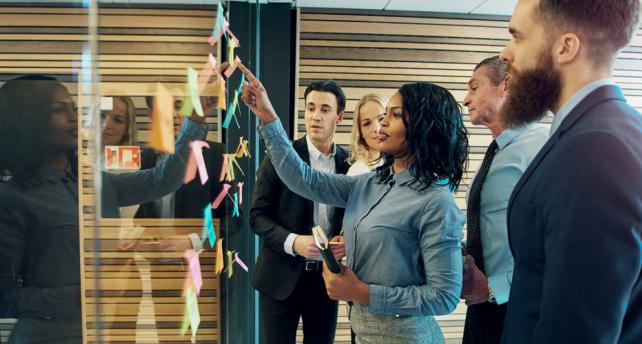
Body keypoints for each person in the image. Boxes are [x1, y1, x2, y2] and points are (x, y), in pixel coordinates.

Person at [241, 63, 468, 343]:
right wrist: (266, 114)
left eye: (394, 116)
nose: (382, 122)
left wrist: (361, 292)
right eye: (385, 114)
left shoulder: (435, 200)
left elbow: (444, 297)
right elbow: (303, 180)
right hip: (363, 334)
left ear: (422, 128)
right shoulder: (370, 183)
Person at [0, 75, 213, 343]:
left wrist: (196, 118)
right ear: (29, 120)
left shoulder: (95, 183)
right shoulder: (13, 198)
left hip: (105, 326)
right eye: (59, 109)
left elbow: (164, 179)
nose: (72, 116)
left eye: (73, 108)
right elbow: (4, 298)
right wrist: (82, 295)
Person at [498, 1, 642, 343]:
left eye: (518, 37)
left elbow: (578, 330)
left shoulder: (595, 148)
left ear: (565, 47)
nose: (506, 53)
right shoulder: (611, 130)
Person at [249, 79, 350, 344]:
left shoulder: (350, 164)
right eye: (311, 108)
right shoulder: (282, 156)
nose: (315, 116)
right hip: (279, 278)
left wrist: (346, 239)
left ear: (339, 117)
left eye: (325, 109)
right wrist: (294, 242)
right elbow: (257, 217)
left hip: (326, 279)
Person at [460, 56, 547, 343]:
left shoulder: (541, 148)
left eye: (474, 88)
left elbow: (557, 242)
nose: (465, 99)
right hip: (480, 308)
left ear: (505, 86)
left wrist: (496, 288)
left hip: (519, 308)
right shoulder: (494, 154)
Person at [135, 93, 235, 252]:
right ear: (152, 116)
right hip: (159, 265)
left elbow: (234, 218)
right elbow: (147, 212)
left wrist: (194, 241)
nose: (174, 114)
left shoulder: (218, 155)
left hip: (202, 267)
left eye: (179, 106)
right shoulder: (146, 159)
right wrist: (141, 234)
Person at [346, 93, 386, 176]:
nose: (376, 128)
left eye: (381, 118)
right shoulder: (357, 172)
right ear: (360, 133)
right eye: (367, 123)